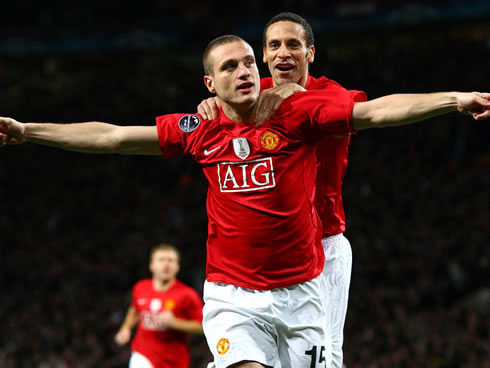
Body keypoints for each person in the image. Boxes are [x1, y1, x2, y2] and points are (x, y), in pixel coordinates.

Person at [0, 35, 488, 368]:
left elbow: (378, 111)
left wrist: (454, 100)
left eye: (249, 62)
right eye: (229, 66)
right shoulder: (199, 127)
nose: (245, 70)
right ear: (210, 85)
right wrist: (28, 132)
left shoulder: (296, 112)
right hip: (233, 295)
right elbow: (112, 137)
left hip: (303, 293)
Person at [196, 12, 490, 368]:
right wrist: (210, 105)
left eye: (294, 44)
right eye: (274, 45)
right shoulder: (249, 96)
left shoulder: (328, 94)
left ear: (311, 53)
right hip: (263, 260)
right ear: (263, 55)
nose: (283, 53)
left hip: (322, 250)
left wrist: (454, 100)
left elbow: (379, 111)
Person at [114, 243, 204, 368]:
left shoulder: (188, 295)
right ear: (152, 266)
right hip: (142, 355)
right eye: (161, 260)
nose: (166, 264)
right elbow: (135, 310)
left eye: (171, 260)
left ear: (177, 267)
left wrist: (175, 323)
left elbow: (202, 327)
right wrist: (126, 328)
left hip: (174, 361)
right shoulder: (140, 288)